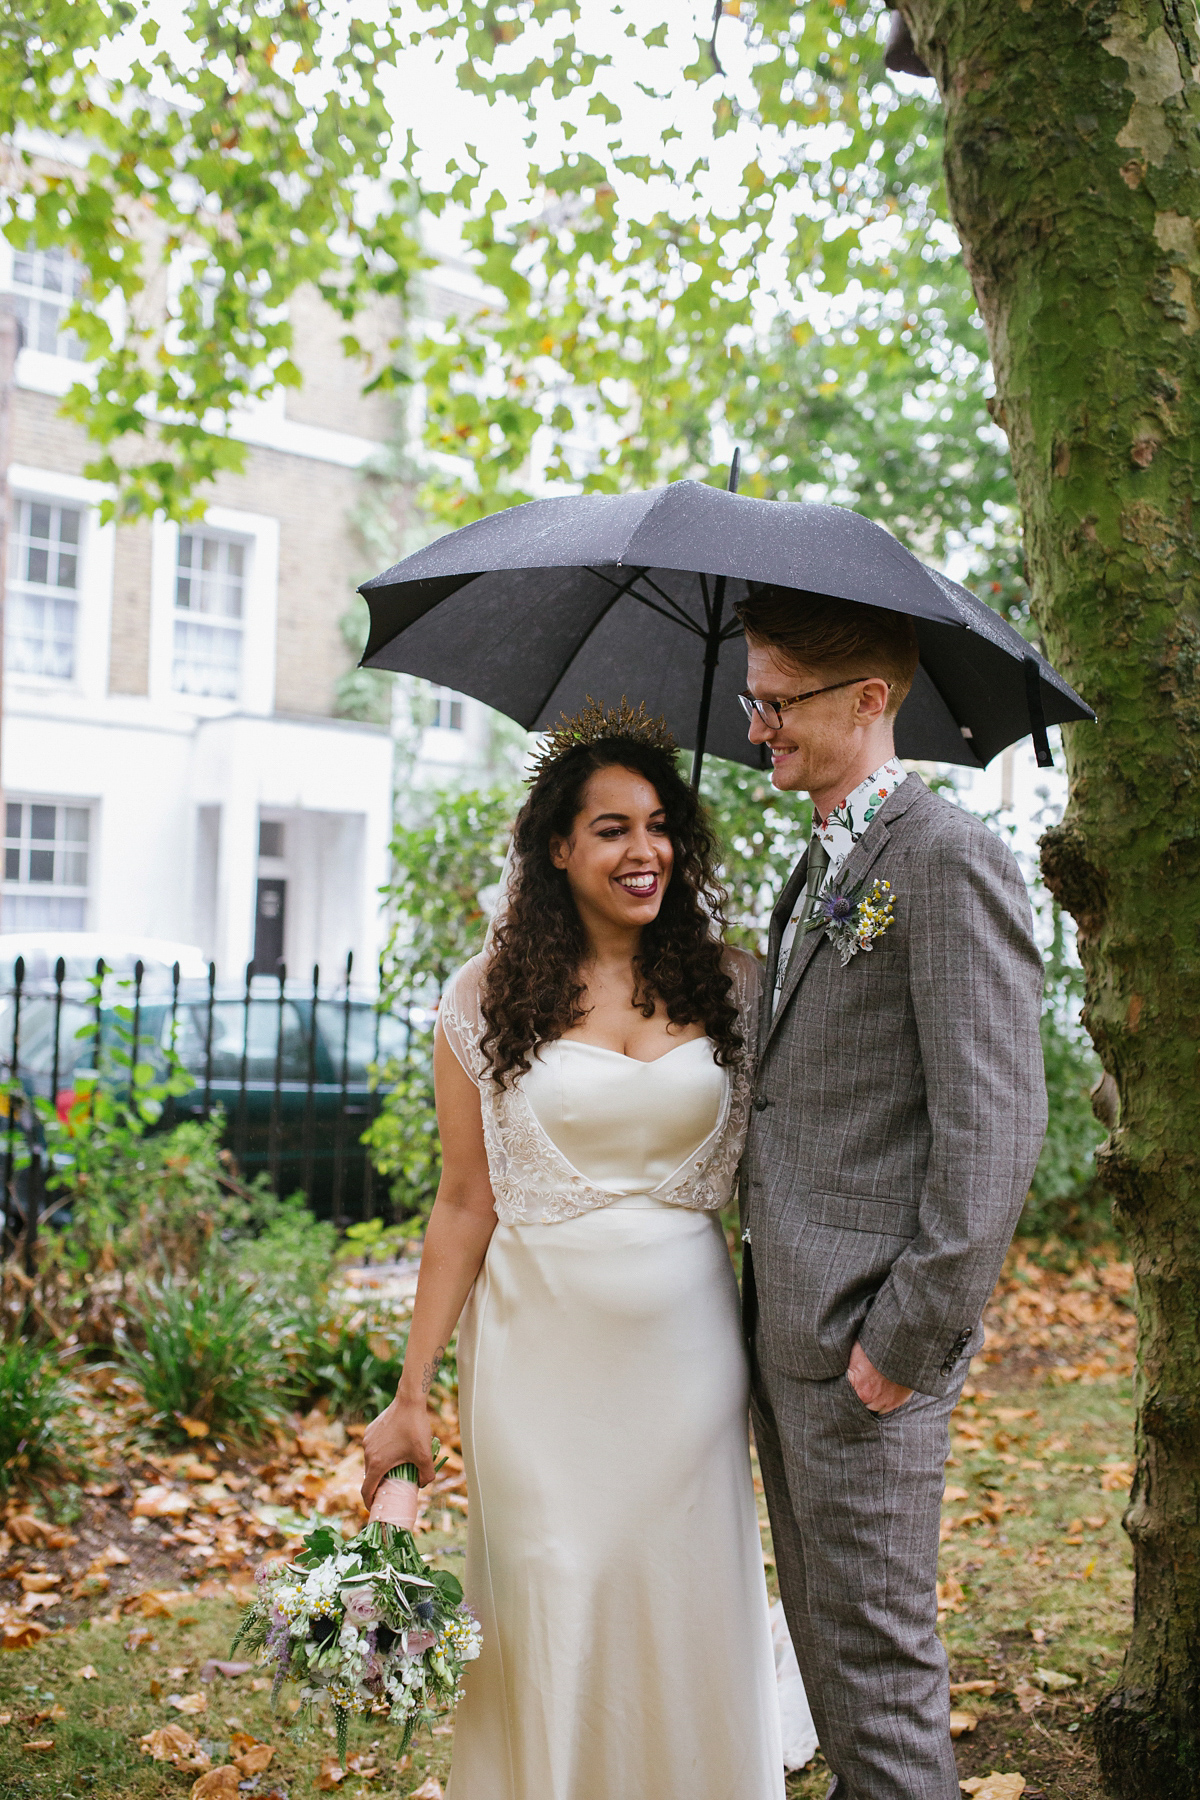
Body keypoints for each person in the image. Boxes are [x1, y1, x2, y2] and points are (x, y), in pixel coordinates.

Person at [362, 699, 784, 1800]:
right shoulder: (487, 998)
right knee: (552, 1587)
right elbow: (463, 1204)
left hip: (688, 1360)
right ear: (558, 847)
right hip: (536, 1357)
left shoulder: (737, 986)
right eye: (611, 829)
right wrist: (409, 1395)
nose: (643, 852)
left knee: (677, 1598)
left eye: (658, 826)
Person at [737, 586, 1047, 1800]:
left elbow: (993, 1131)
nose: (757, 724)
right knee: (831, 1665)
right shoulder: (820, 862)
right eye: (752, 697)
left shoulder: (947, 859)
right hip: (794, 1334)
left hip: (869, 1350)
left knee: (881, 1677)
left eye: (778, 702)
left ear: (869, 701)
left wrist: (903, 1345)